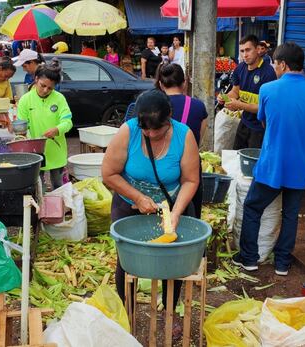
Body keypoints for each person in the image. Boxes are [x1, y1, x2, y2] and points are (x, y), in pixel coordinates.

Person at [102, 89, 200, 337]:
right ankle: (126, 311)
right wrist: (137, 197)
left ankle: (171, 311)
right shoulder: (129, 131)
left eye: (157, 129)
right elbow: (109, 173)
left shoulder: (183, 135)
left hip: (171, 204)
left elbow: (190, 180)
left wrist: (176, 213)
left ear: (170, 119)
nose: (151, 133)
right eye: (146, 129)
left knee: (174, 261)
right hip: (128, 204)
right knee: (127, 261)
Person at [231, 42, 305, 276]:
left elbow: (265, 122)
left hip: (271, 164)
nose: (274, 67)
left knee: (253, 207)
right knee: (290, 214)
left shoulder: (268, 90)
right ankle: (282, 263)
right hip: (300, 166)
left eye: (275, 63)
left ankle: (249, 258)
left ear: (283, 64)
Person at [154, 63, 208, 219]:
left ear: (161, 84)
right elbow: (199, 137)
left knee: (159, 215)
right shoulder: (198, 106)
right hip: (190, 167)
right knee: (191, 212)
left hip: (160, 166)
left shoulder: (153, 107)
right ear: (184, 82)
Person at [17, 63, 72, 190]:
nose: (46, 90)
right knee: (38, 187)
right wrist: (30, 142)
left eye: (50, 88)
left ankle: (61, 209)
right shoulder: (25, 100)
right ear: (36, 79)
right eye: (43, 85)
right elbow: (22, 127)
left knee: (59, 186)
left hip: (56, 150)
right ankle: (40, 210)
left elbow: (68, 122)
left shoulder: (59, 99)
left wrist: (57, 129)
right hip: (35, 151)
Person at [218, 35, 277, 150]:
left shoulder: (268, 73)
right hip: (244, 122)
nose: (245, 54)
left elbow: (265, 108)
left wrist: (239, 105)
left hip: (260, 128)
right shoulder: (240, 68)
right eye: (242, 51)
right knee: (237, 156)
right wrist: (225, 97)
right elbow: (235, 91)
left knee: (252, 163)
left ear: (258, 49)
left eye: (248, 50)